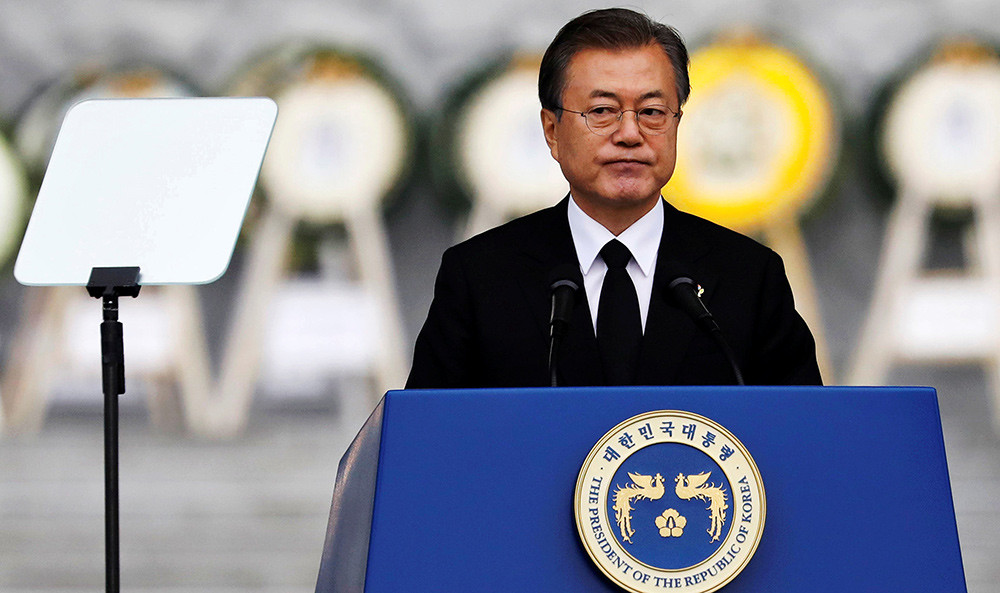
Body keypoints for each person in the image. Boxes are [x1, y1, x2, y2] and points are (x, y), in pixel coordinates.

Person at [406, 8, 822, 389]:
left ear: (677, 123)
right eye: (602, 111)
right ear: (552, 131)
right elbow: (426, 434)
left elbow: (805, 430)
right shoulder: (480, 277)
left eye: (652, 112)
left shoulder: (749, 277)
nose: (629, 134)